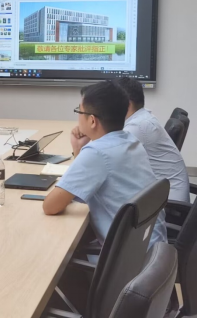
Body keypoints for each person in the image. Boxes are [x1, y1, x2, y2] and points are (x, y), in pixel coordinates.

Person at [43, 81, 167, 247]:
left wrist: (81, 151)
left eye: (79, 111)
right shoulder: (130, 140)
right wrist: (78, 148)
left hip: (129, 256)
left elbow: (50, 206)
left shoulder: (97, 153)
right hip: (152, 248)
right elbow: (78, 187)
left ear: (92, 121)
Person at [116, 77, 190, 202]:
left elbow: (107, 161)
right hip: (164, 194)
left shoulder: (138, 127)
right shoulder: (143, 117)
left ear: (127, 104)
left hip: (168, 203)